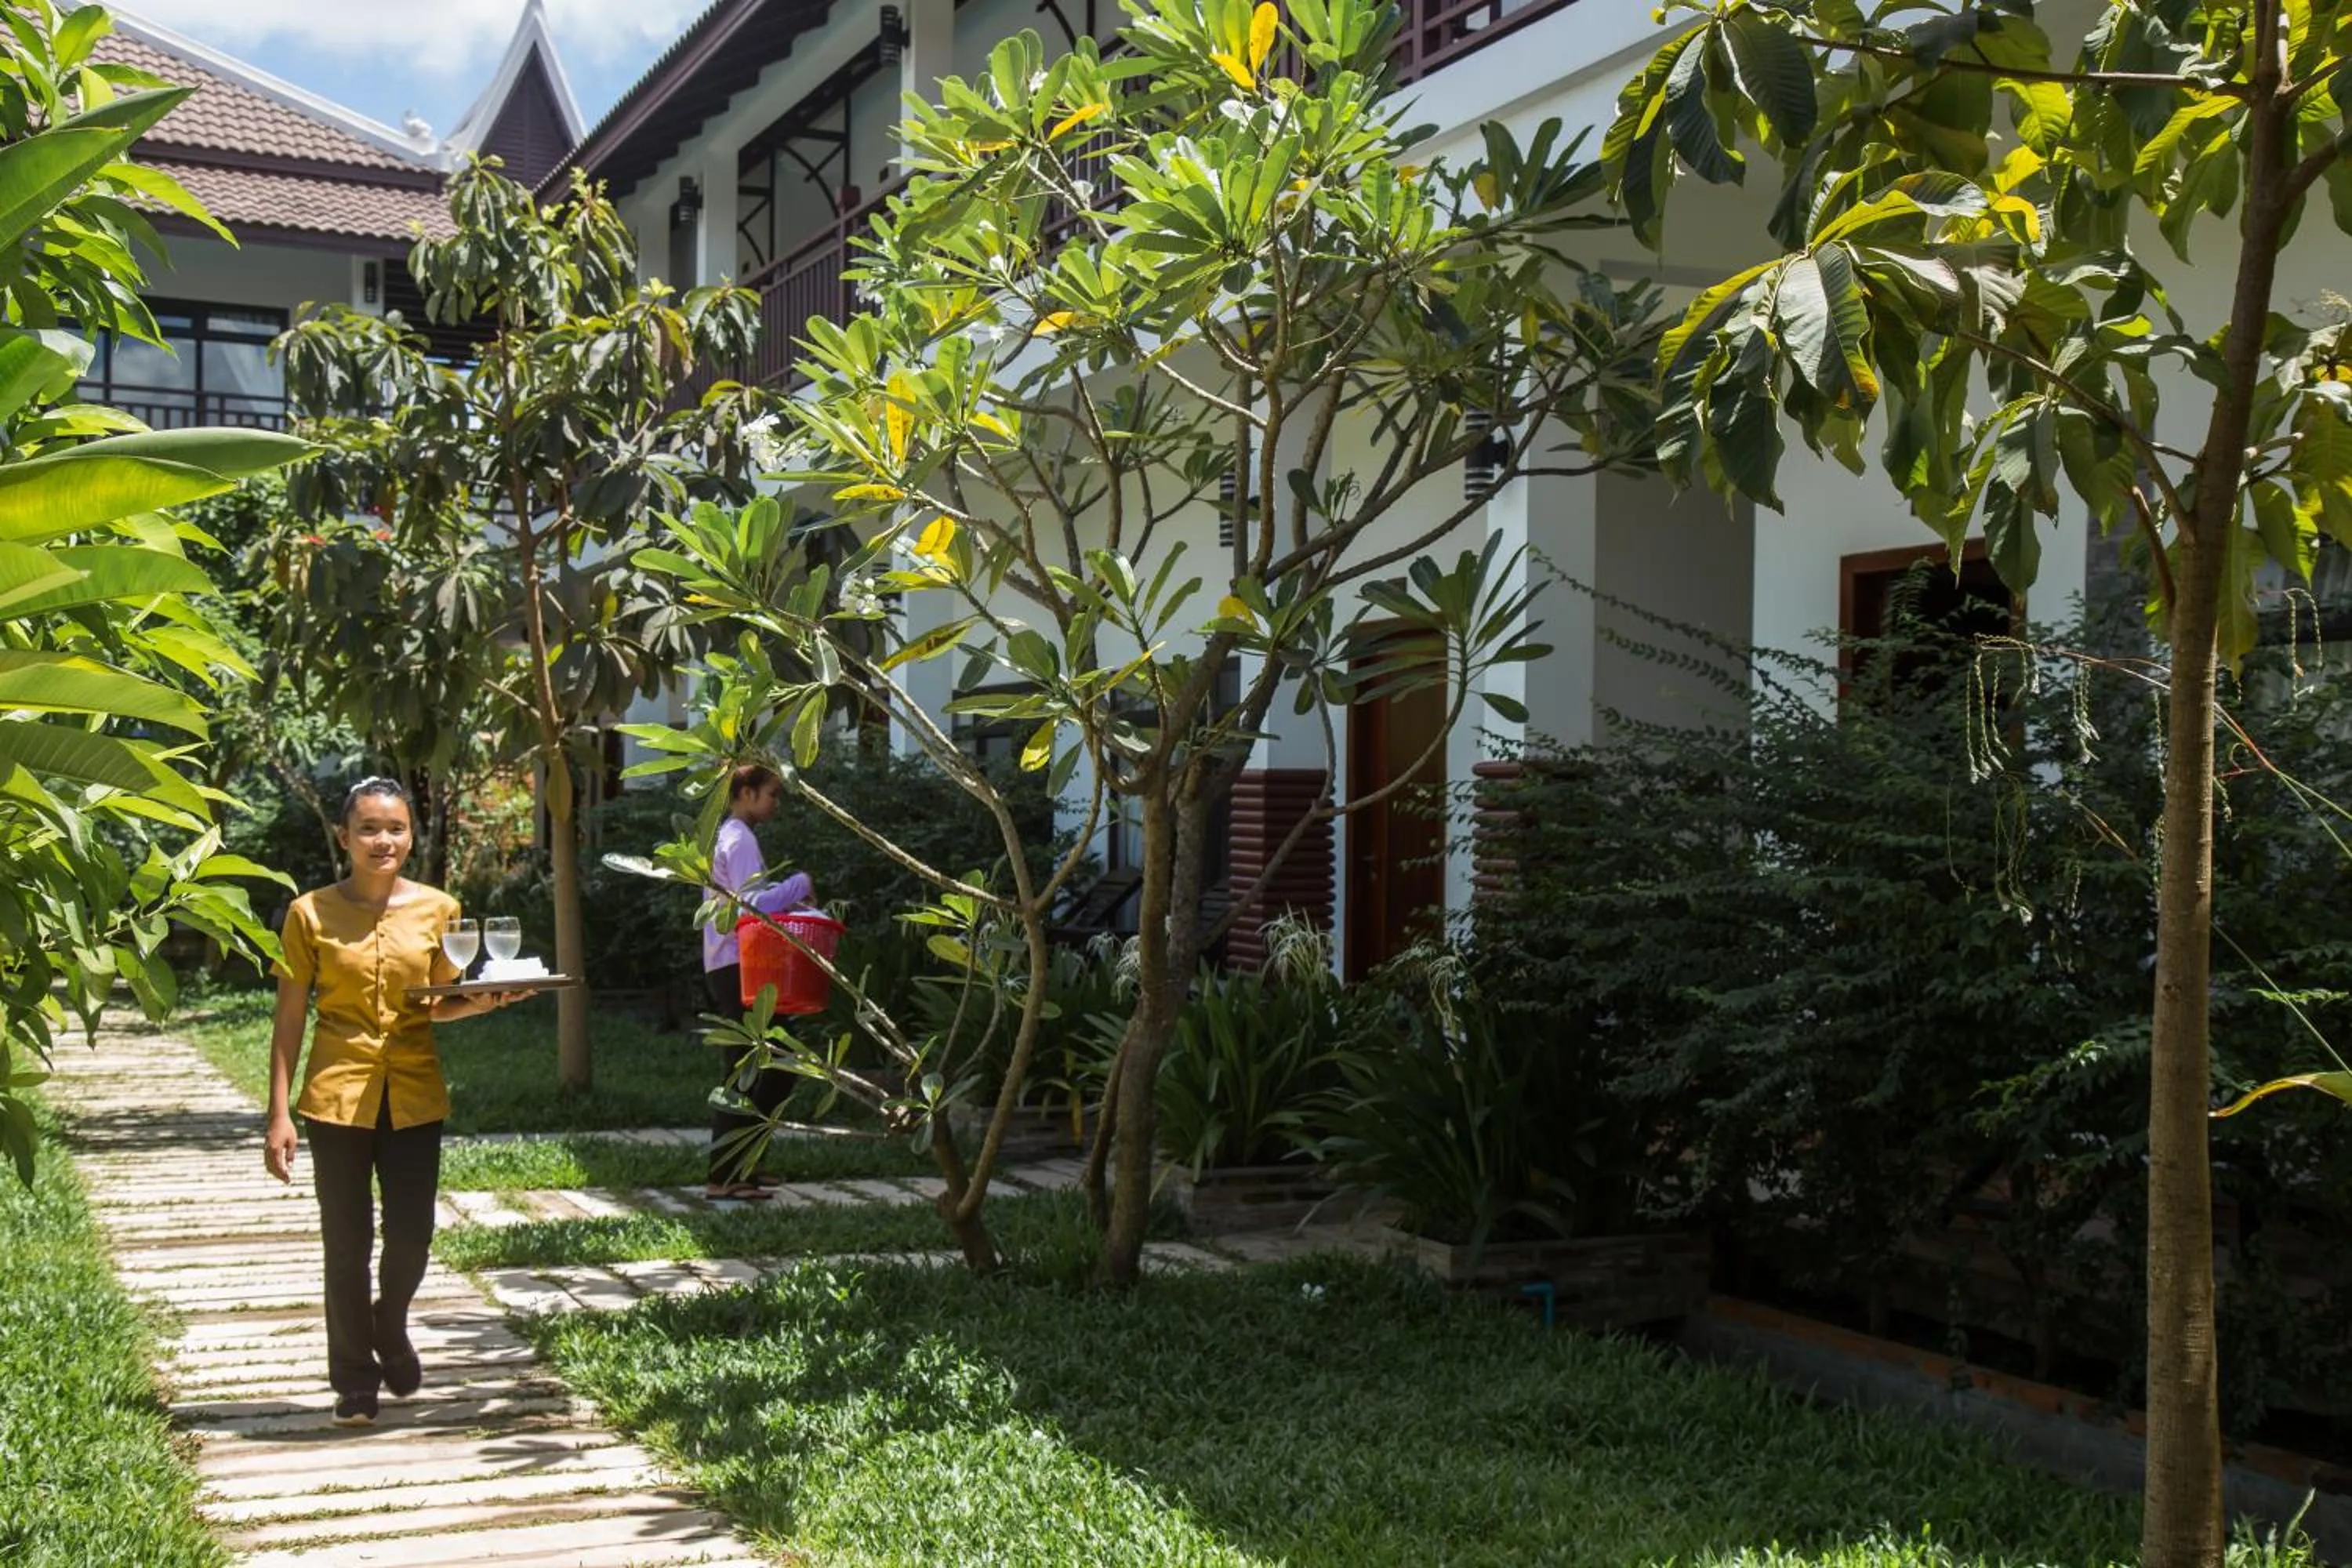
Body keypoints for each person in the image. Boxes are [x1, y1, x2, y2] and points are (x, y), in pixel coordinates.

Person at [263, 776, 527, 1428]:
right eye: (371, 829)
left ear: (411, 836)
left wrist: (490, 1000)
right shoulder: (309, 914)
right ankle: (354, 1382)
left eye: (396, 829)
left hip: (414, 1092)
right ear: (344, 837)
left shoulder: (440, 908)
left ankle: (390, 1323)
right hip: (335, 1097)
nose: (384, 841)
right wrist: (277, 1113)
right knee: (346, 1244)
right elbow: (290, 1015)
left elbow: (440, 1006)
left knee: (411, 1237)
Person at [702, 762, 815, 1201]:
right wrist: (799, 883)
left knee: (770, 1064)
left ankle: (743, 1164)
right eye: (771, 794)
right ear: (745, 793)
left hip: (734, 965)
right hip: (739, 966)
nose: (775, 803)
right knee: (753, 1070)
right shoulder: (740, 838)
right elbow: (750, 908)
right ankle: (727, 1176)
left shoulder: (732, 836)